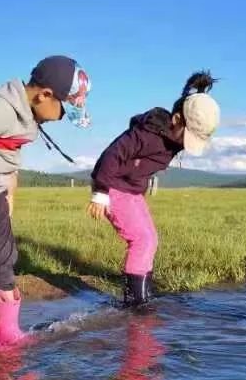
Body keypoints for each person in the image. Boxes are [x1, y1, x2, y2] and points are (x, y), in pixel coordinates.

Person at [0, 56, 91, 355]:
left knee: (5, 258)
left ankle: (6, 327)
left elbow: (8, 154)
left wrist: (10, 190)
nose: (62, 117)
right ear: (44, 95)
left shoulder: (30, 117)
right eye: (64, 109)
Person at [87, 71, 220, 307]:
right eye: (188, 136)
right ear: (176, 120)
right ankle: (136, 303)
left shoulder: (173, 137)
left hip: (132, 190)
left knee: (151, 238)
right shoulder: (146, 135)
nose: (185, 144)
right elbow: (111, 155)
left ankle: (144, 295)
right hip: (114, 186)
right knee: (141, 240)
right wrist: (101, 194)